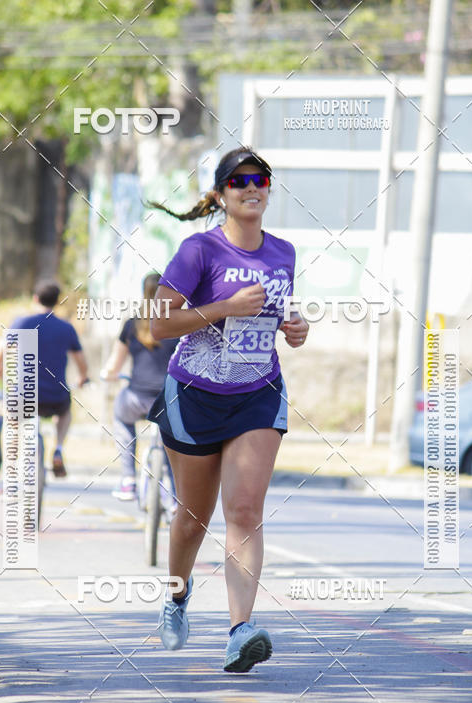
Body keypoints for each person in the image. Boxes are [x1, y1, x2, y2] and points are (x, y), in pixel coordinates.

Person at [147, 146, 308, 673]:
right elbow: (158, 325)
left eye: (260, 179)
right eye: (239, 181)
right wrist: (223, 308)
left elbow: (275, 317)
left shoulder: (283, 252)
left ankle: (240, 631)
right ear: (220, 195)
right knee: (193, 520)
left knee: (244, 511)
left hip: (257, 393)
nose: (252, 188)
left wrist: (295, 327)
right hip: (194, 394)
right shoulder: (199, 251)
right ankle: (176, 597)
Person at [0, 281, 88, 476]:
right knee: (65, 412)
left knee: (11, 422)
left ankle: (8, 468)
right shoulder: (66, 328)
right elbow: (81, 363)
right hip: (54, 398)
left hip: (23, 395)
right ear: (57, 301)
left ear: (35, 298)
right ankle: (59, 447)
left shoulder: (21, 323)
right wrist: (83, 378)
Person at [100, 273, 178, 501]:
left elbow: (114, 365)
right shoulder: (180, 324)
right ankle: (175, 497)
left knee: (121, 416)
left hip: (136, 398)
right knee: (173, 442)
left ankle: (128, 479)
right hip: (168, 400)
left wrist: (109, 375)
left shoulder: (132, 324)